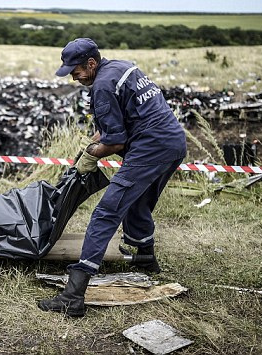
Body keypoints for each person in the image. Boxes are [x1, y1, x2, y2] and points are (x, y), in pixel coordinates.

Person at [38, 38, 187, 317]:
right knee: (138, 202)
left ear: (91, 63)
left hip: (150, 149)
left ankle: (73, 296)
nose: (74, 76)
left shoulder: (103, 86)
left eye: (77, 70)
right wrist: (94, 144)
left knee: (106, 212)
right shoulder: (120, 68)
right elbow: (111, 129)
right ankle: (145, 259)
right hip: (173, 144)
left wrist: (91, 155)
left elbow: (115, 142)